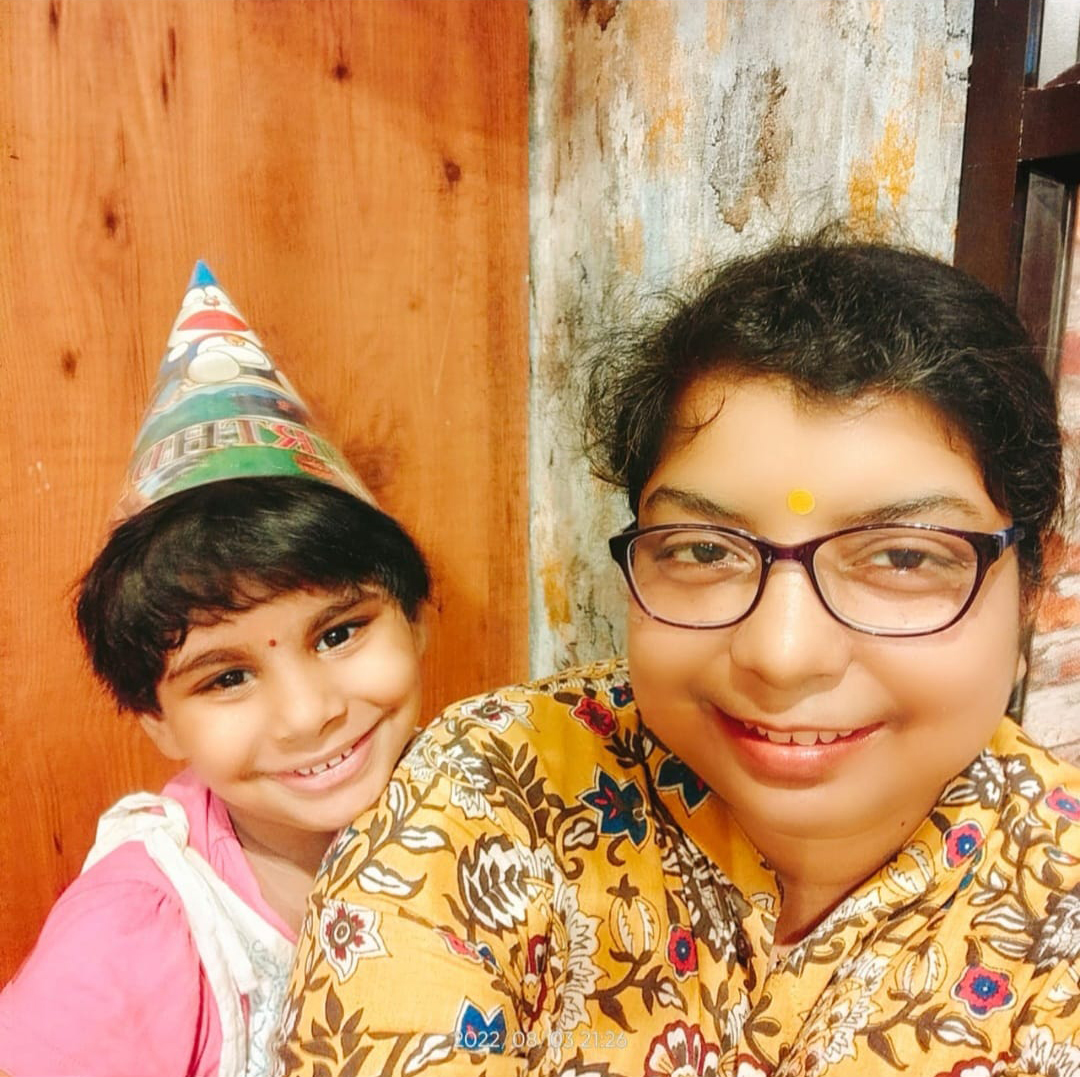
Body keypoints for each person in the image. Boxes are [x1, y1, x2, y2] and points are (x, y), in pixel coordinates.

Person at [278, 238, 1080, 1077]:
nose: (781, 651)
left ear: (1034, 583)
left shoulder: (1057, 902)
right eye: (703, 549)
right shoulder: (499, 786)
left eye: (905, 557)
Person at [0, 264, 430, 1077]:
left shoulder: (488, 802)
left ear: (415, 620)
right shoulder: (134, 936)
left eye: (339, 632)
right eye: (225, 677)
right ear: (156, 717)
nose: (307, 714)